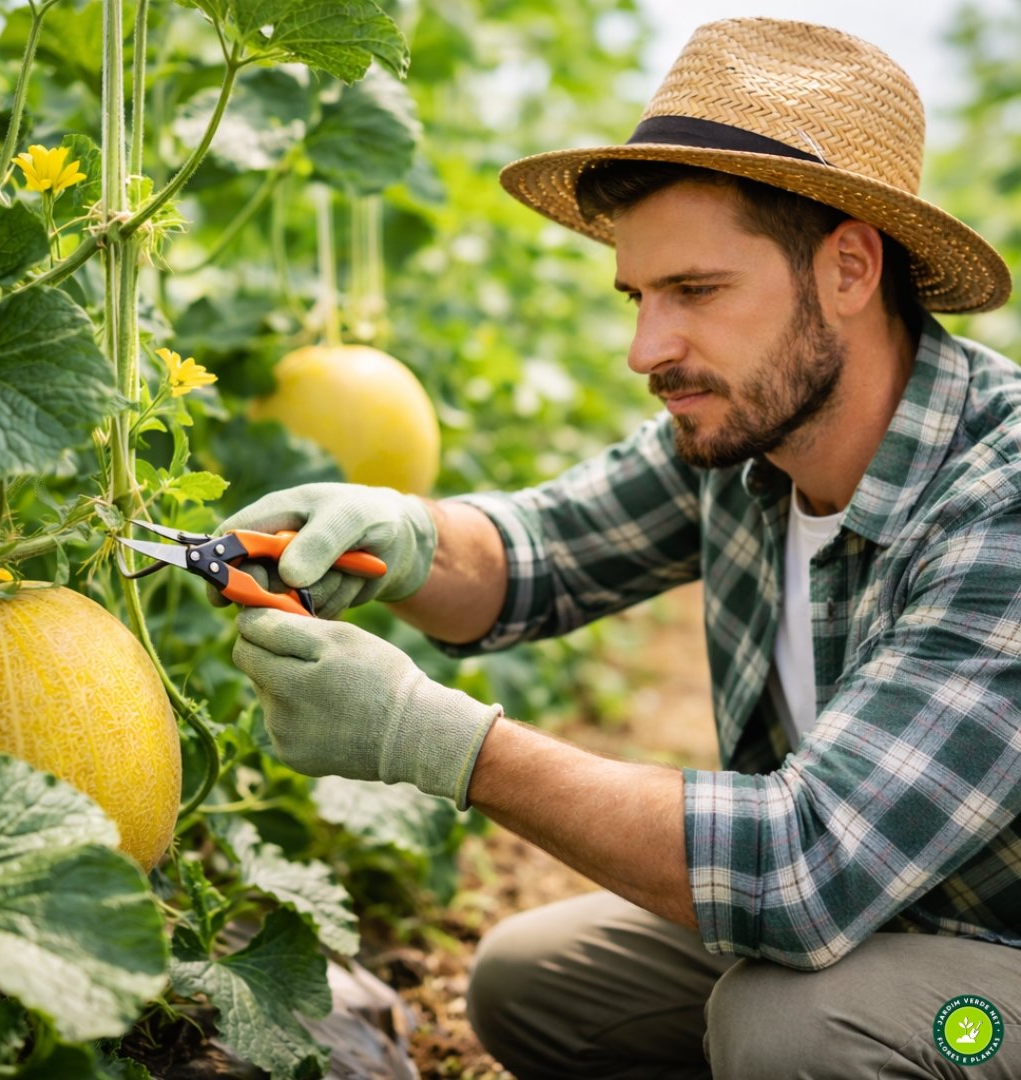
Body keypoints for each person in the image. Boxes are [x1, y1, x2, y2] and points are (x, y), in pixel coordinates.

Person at [223, 18, 1021, 1080]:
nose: (649, 350)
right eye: (639, 298)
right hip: (882, 918)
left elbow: (803, 867)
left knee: (790, 1029)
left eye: (695, 292)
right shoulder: (750, 433)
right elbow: (536, 554)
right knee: (536, 984)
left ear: (849, 267)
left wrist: (435, 739)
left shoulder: (1000, 495)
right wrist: (404, 538)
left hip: (994, 973)